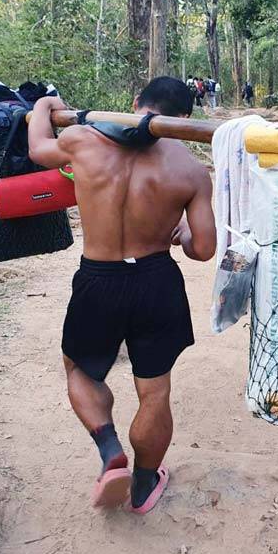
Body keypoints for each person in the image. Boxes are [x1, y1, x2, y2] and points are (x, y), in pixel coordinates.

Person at [27, 76, 216, 514]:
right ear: (184, 121)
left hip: (99, 278)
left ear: (134, 103)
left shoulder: (81, 140)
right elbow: (203, 249)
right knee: (155, 392)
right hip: (156, 280)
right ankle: (145, 484)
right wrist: (185, 232)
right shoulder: (188, 168)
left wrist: (44, 105)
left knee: (81, 371)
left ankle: (111, 450)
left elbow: (38, 148)